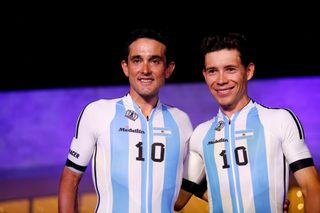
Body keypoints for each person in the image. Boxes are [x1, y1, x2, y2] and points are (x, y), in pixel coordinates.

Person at [175, 32, 320, 212]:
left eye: (230, 69)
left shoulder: (279, 120)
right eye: (213, 71)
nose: (221, 80)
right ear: (205, 75)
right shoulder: (201, 133)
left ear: (249, 71)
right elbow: (177, 200)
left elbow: (311, 188)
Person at [58, 27, 193, 213]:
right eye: (137, 60)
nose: (145, 70)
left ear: (168, 69)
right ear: (125, 67)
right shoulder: (98, 112)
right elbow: (70, 179)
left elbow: (180, 198)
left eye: (155, 61)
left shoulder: (181, 121)